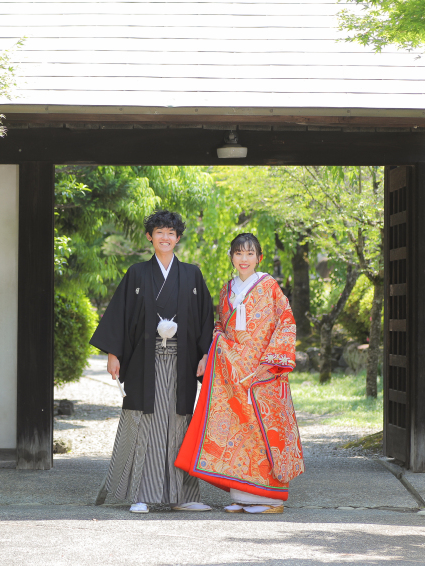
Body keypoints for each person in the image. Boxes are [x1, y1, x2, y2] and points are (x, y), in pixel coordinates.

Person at [90, 210, 214, 513]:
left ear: (178, 238)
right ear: (150, 236)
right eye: (160, 232)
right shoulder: (136, 273)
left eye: (171, 233)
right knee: (145, 423)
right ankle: (142, 495)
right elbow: (119, 315)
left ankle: (183, 496)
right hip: (145, 363)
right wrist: (112, 353)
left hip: (182, 363)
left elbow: (205, 320)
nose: (166, 237)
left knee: (178, 423)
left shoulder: (192, 274)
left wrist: (205, 356)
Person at [175, 233, 303, 514]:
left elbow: (286, 321)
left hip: (262, 371)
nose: (244, 259)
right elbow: (220, 325)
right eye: (238, 253)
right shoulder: (226, 290)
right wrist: (213, 349)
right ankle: (243, 496)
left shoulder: (269, 287)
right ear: (231, 257)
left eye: (249, 254)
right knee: (238, 430)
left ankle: (270, 500)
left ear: (259, 258)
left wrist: (270, 362)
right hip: (233, 370)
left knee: (261, 431)